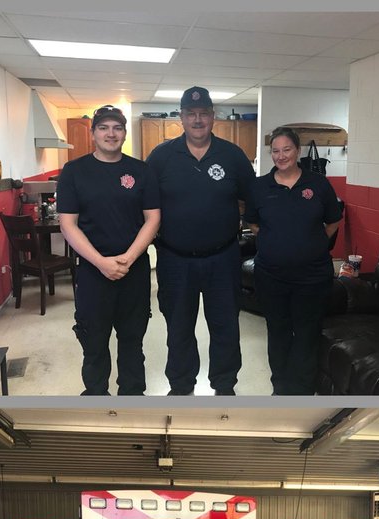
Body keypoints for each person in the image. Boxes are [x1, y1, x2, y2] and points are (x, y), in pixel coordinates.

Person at [146, 87, 255, 395]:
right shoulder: (161, 157)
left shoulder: (232, 156)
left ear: (213, 117)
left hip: (222, 259)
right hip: (174, 259)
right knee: (178, 329)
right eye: (191, 114)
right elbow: (144, 205)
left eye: (203, 114)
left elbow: (253, 200)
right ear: (181, 117)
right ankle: (181, 388)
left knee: (225, 328)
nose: (197, 120)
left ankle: (224, 387)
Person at [56, 105, 160, 395]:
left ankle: (132, 397)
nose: (110, 133)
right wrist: (101, 262)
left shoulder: (141, 171)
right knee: (94, 343)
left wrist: (127, 258)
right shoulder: (74, 172)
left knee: (132, 342)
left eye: (117, 128)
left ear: (124, 133)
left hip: (133, 270)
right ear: (93, 134)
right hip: (92, 271)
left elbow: (153, 218)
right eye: (104, 128)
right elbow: (68, 225)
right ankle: (96, 398)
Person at [245, 127, 343, 395]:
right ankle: (281, 386)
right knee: (277, 331)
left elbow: (333, 220)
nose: (281, 155)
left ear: (297, 151)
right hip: (271, 276)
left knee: (307, 333)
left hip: (312, 276)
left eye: (286, 149)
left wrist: (316, 241)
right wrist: (273, 238)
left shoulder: (318, 184)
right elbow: (253, 222)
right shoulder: (260, 186)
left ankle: (302, 389)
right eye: (275, 151)